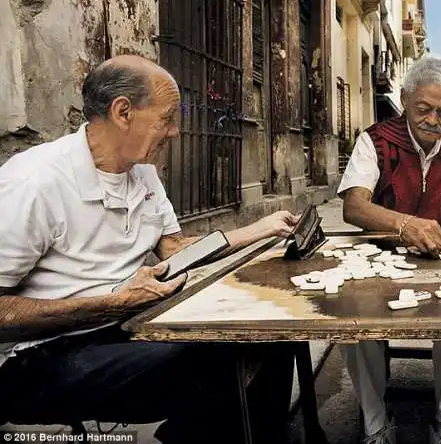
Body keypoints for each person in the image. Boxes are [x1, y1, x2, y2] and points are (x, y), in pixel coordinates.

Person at [0, 55, 301, 443]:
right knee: (212, 362)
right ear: (123, 112)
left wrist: (257, 231)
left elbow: (173, 248)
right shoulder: (33, 183)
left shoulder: (140, 170)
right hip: (43, 356)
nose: (174, 132)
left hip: (125, 326)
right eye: (167, 118)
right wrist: (112, 304)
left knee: (271, 332)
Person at [338, 57, 441, 444]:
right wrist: (404, 225)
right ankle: (375, 423)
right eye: (423, 108)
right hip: (383, 253)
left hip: (440, 256)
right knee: (353, 321)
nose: (432, 119)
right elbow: (353, 207)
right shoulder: (374, 140)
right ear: (405, 99)